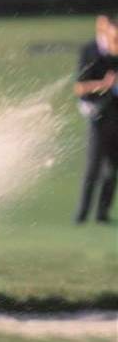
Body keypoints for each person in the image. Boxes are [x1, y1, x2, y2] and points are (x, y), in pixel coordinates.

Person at [73, 15, 118, 224]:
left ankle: (102, 214)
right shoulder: (90, 52)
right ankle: (82, 215)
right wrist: (104, 84)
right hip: (99, 117)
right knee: (93, 169)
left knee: (112, 170)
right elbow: (80, 87)